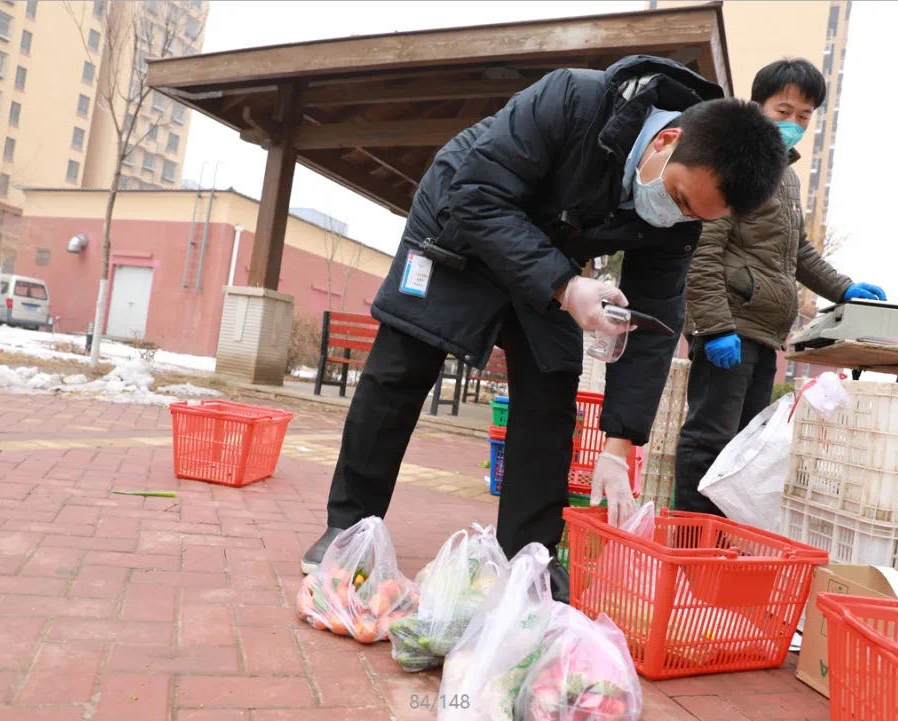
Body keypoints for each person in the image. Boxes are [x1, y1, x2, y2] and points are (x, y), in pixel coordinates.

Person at [300, 55, 789, 603]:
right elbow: (478, 193)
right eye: (676, 197)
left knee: (552, 389)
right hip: (459, 223)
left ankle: (526, 560)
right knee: (402, 367)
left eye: (694, 216)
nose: (674, 216)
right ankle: (348, 530)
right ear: (665, 140)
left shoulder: (678, 219)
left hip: (551, 256)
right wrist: (565, 286)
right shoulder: (574, 99)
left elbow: (654, 321)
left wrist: (618, 445)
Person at [675, 58, 886, 516]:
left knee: (745, 447)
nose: (793, 124)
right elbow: (703, 250)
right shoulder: (731, 164)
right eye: (783, 110)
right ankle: (690, 539)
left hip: (765, 331)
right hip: (729, 326)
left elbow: (800, 253)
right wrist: (713, 328)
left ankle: (722, 546)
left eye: (804, 116)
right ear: (757, 107)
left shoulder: (785, 176)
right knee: (710, 437)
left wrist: (845, 289)